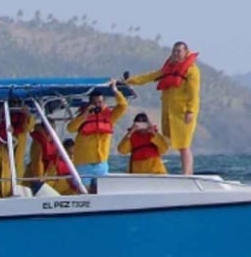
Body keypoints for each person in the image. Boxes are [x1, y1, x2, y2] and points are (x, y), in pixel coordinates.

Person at [126, 41, 200, 175]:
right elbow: (149, 77)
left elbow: (194, 94)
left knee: (184, 145)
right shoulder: (169, 68)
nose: (176, 54)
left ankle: (188, 175)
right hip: (169, 112)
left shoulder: (191, 71)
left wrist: (191, 111)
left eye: (179, 51)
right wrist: (129, 81)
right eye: (174, 51)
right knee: (168, 141)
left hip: (183, 113)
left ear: (186, 52)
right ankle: (161, 168)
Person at [65, 83, 127, 182]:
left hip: (101, 162)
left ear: (104, 103)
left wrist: (115, 91)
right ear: (90, 104)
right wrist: (85, 115)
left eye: (100, 102)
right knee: (84, 189)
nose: (98, 105)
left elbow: (123, 106)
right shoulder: (83, 117)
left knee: (100, 189)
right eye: (95, 103)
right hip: (84, 162)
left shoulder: (110, 117)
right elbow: (70, 128)